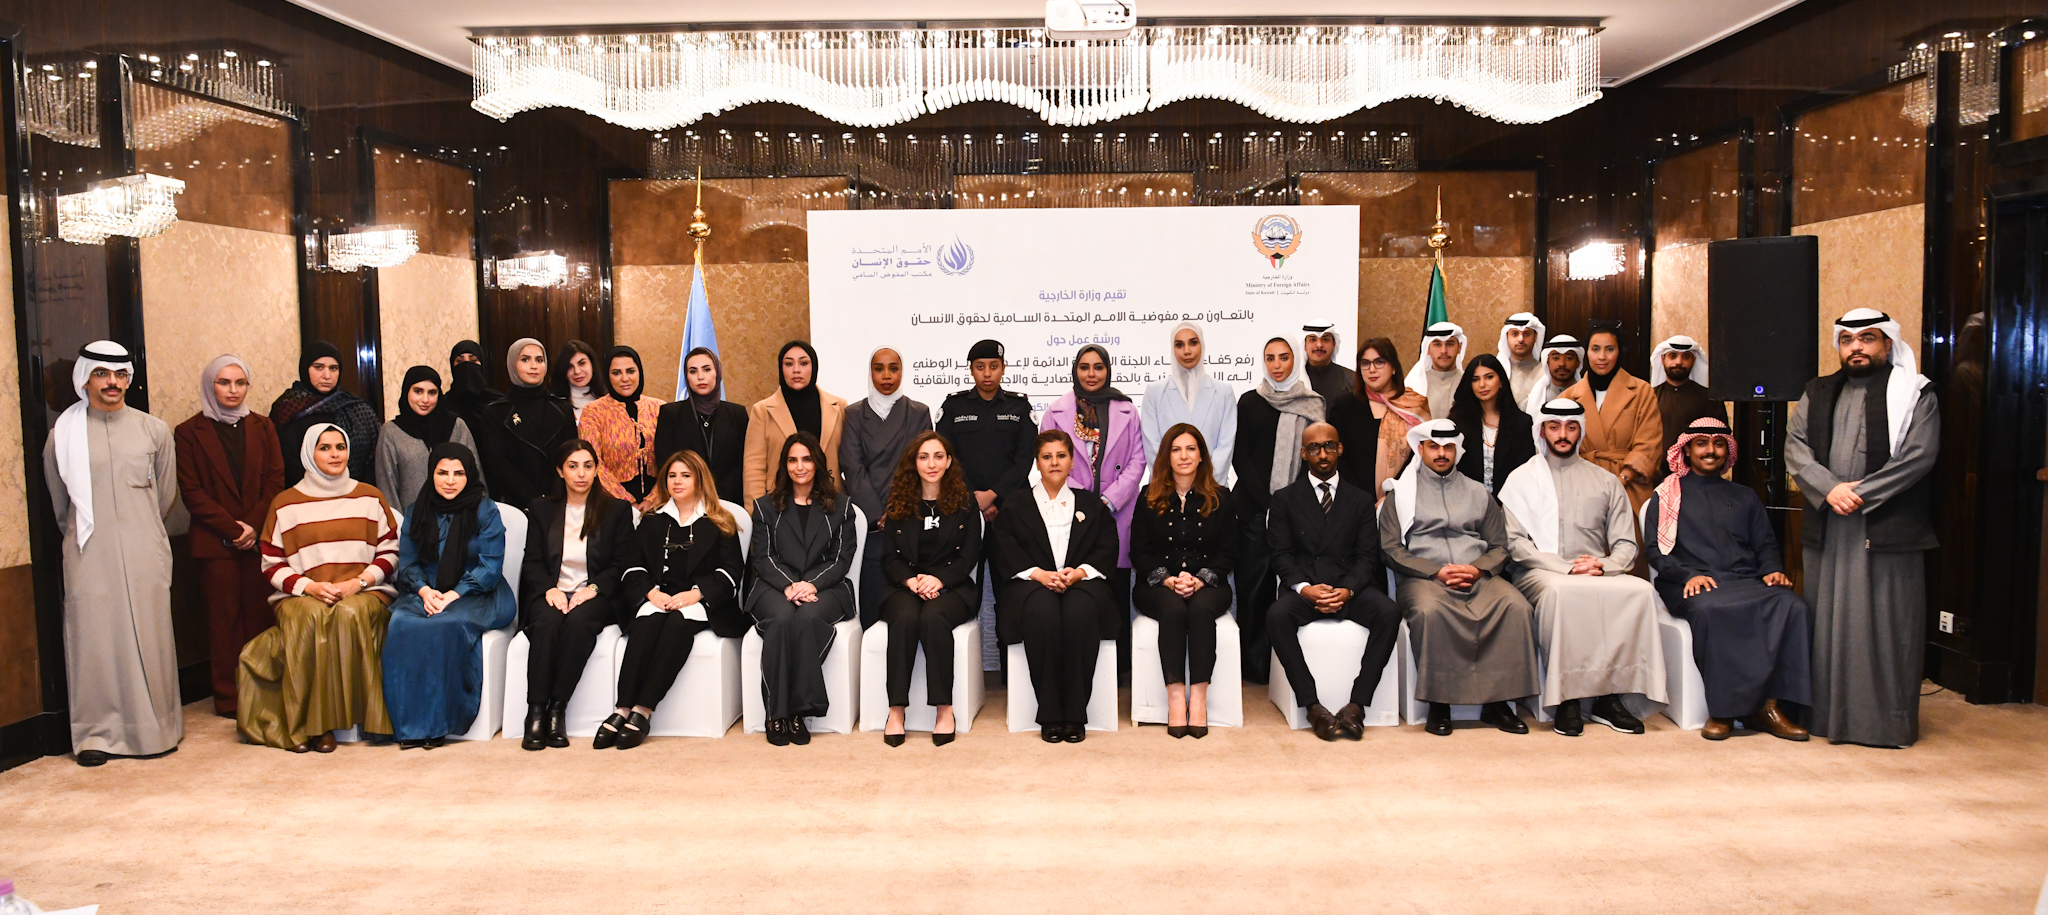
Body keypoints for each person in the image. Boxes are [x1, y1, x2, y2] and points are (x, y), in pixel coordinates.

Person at [1786, 308, 1939, 748]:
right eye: (1847, 340)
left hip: (1887, 528)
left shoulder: (1916, 393)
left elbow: (1919, 456)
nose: (1856, 348)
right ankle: (1825, 717)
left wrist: (1861, 494)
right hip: (1829, 524)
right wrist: (1830, 489)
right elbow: (1795, 448)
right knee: (1826, 625)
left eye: (1867, 338)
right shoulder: (1817, 391)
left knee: (1885, 628)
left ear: (1887, 343)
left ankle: (1884, 725)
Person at [44, 342, 180, 766]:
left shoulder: (154, 430)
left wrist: (141, 532)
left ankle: (156, 730)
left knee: (150, 637)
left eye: (120, 374)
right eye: (102, 374)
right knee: (95, 640)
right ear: (85, 379)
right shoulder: (63, 436)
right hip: (89, 552)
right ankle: (95, 735)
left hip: (145, 549)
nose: (112, 383)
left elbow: (165, 495)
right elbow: (61, 506)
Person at [1498, 400, 1668, 736]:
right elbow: (1515, 544)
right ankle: (1568, 700)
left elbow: (1626, 545)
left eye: (1571, 427)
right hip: (1539, 571)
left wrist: (1603, 565)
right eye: (1554, 427)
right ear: (1542, 431)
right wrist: (1562, 567)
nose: (1562, 434)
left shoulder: (1605, 481)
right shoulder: (1521, 480)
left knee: (1640, 591)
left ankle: (1610, 698)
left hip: (1594, 569)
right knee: (1562, 593)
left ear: (1581, 431)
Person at [1645, 418, 1812, 741]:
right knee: (1712, 609)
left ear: (1727, 451)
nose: (1711, 450)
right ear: (1687, 450)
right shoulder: (1667, 496)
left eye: (1718, 444)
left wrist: (1772, 569)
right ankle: (1723, 711)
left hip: (1744, 580)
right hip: (1689, 583)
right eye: (1702, 444)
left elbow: (1765, 544)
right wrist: (1689, 575)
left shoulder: (1745, 496)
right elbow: (1656, 551)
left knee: (1792, 606)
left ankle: (1771, 708)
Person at [237, 424, 399, 752]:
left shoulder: (370, 496)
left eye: (340, 446)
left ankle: (370, 719)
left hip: (363, 591)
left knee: (348, 613)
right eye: (324, 448)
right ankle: (314, 727)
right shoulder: (285, 503)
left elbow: (390, 552)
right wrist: (308, 587)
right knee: (311, 618)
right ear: (308, 454)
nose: (335, 454)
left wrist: (359, 582)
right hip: (301, 594)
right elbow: (272, 563)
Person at [1381, 419, 1539, 736]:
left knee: (1515, 607)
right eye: (1434, 447)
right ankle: (1440, 704)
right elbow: (1390, 548)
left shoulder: (1478, 492)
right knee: (1430, 612)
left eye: (1448, 447)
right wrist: (1434, 570)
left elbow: (1499, 546)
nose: (1441, 453)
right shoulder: (1401, 494)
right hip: (1424, 578)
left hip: (1478, 575)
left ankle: (1498, 703)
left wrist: (1478, 569)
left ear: (1457, 450)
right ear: (1420, 449)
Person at [602, 450, 746, 750]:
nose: (677, 481)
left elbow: (732, 571)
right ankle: (622, 708)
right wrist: (652, 594)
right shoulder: (652, 520)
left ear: (700, 480)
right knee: (644, 627)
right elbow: (631, 565)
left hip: (699, 602)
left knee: (676, 627)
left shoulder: (720, 520)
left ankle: (643, 710)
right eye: (672, 475)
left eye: (685, 475)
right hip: (658, 597)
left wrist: (696, 593)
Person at [1266, 422, 1401, 742]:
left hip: (1349, 588)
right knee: (1276, 616)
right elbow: (1281, 555)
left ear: (1340, 449)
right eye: (1314, 448)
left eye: (1329, 446)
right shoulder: (1284, 499)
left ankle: (1357, 706)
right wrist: (1306, 589)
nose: (1323, 454)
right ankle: (1312, 707)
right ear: (1303, 454)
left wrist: (1347, 590)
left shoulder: (1360, 499)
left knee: (1389, 612)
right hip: (1306, 590)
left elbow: (1367, 556)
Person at [174, 354, 287, 717]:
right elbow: (191, 492)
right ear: (210, 386)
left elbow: (275, 481)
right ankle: (228, 698)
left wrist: (252, 526)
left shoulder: (263, 427)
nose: (233, 390)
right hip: (214, 543)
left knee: (259, 618)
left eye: (240, 383)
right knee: (223, 624)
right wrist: (233, 529)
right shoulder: (188, 432)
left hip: (257, 540)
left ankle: (262, 691)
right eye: (224, 383)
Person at [383, 443, 515, 749]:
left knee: (444, 625)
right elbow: (409, 563)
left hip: (479, 592)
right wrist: (426, 591)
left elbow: (490, 566)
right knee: (401, 623)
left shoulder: (485, 509)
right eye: (442, 473)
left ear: (470, 475)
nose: (451, 481)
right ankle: (410, 725)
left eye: (459, 473)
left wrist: (453, 594)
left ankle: (439, 723)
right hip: (427, 590)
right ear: (431, 474)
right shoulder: (417, 510)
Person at [993, 430, 1120, 743]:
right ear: (1036, 463)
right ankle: (1050, 715)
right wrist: (1040, 574)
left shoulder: (1090, 504)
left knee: (1080, 612)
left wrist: (1078, 573)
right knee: (1043, 613)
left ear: (1072, 461)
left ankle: (1075, 715)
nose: (1054, 462)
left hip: (1082, 583)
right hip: (1030, 584)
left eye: (1061, 456)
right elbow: (1004, 550)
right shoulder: (1016, 503)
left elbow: (1106, 549)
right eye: (1046, 456)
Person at [516, 439, 635, 751]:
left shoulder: (616, 510)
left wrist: (592, 589)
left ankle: (557, 709)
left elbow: (622, 563)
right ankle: (535, 712)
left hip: (597, 594)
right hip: (552, 590)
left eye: (588, 466)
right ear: (560, 471)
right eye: (573, 466)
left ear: (596, 470)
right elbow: (532, 561)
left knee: (579, 624)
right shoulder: (541, 509)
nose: (581, 474)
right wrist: (550, 589)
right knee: (546, 624)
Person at [747, 432, 860, 746]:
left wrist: (810, 584)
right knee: (782, 619)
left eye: (807, 459)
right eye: (793, 460)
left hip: (826, 586)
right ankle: (776, 713)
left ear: (817, 463)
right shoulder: (765, 507)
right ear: (784, 465)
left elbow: (841, 559)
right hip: (773, 585)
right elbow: (763, 557)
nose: (800, 466)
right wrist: (789, 586)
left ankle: (796, 711)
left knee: (808, 618)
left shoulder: (842, 506)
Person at [1130, 424, 1237, 739]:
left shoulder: (1221, 497)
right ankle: (1176, 697)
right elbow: (1139, 552)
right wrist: (1167, 580)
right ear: (1166, 456)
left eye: (1191, 448)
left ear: (1201, 455)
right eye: (1176, 449)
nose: (1184, 456)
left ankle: (1199, 698)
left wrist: (1201, 580)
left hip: (1209, 583)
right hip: (1157, 585)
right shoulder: (1148, 496)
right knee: (1174, 610)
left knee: (1200, 611)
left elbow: (1230, 552)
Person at [876, 431, 983, 746]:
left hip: (952, 587)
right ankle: (896, 710)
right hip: (905, 586)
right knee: (906, 618)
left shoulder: (965, 503)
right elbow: (889, 558)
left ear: (949, 461)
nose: (931, 464)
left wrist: (939, 579)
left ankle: (944, 709)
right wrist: (911, 581)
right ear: (914, 462)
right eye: (923, 457)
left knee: (934, 618)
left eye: (938, 456)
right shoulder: (899, 503)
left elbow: (969, 556)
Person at [1041, 343, 1147, 661]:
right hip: (1072, 512)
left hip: (1118, 511)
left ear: (1108, 370)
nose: (1091, 374)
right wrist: (1086, 501)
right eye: (1084, 367)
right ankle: (1080, 662)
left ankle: (1119, 667)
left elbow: (1137, 460)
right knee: (1078, 585)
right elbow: (1048, 460)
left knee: (1115, 586)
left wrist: (1109, 500)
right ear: (1075, 370)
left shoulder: (1127, 410)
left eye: (1098, 367)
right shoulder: (1056, 411)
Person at [1230, 338, 1325, 683]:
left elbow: (1316, 459)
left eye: (1284, 358)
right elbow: (1241, 457)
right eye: (1270, 358)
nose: (1277, 365)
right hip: (1253, 512)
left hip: (1297, 512)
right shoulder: (1249, 401)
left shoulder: (1312, 404)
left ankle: (1286, 667)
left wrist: (1286, 505)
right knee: (1253, 590)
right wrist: (1268, 503)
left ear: (1295, 360)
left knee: (1292, 589)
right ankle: (1255, 668)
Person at [840, 345, 933, 625]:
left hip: (908, 516)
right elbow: (852, 468)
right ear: (870, 373)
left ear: (902, 372)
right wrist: (877, 514)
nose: (887, 375)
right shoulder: (854, 413)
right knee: (872, 593)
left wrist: (895, 510)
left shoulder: (918, 412)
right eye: (879, 369)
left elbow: (923, 466)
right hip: (871, 523)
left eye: (893, 368)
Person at [939, 339, 1038, 523]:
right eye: (980, 367)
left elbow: (1024, 459)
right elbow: (947, 457)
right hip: (963, 503)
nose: (987, 373)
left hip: (1012, 505)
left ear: (1003, 368)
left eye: (993, 366)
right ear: (971, 370)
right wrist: (975, 498)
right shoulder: (953, 407)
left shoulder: (1020, 408)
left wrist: (993, 494)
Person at [1564, 326, 1663, 511]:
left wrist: (1621, 480)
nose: (1602, 357)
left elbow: (1649, 445)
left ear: (1619, 352)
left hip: (1630, 487)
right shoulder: (1567, 398)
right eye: (1595, 349)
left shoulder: (1642, 392)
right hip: (1581, 488)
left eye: (1609, 349)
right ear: (1586, 353)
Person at [743, 340, 847, 508]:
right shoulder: (762, 411)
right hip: (779, 505)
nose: (796, 370)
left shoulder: (839, 407)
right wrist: (756, 513)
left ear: (814, 367)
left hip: (829, 502)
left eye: (803, 363)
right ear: (781, 368)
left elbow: (849, 461)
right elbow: (753, 469)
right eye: (789, 364)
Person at [480, 338, 577, 512]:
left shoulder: (562, 408)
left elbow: (570, 456)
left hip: (560, 502)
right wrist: (534, 500)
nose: (534, 366)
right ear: (512, 364)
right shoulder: (495, 412)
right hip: (515, 506)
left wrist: (554, 497)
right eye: (525, 359)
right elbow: (499, 465)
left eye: (539, 360)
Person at [1328, 336, 1429, 501]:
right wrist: (1362, 499)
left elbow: (1421, 455)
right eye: (1365, 363)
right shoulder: (1344, 406)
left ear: (1394, 367)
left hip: (1404, 498)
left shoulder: (1414, 405)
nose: (1372, 369)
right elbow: (1337, 457)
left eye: (1379, 362)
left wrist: (1392, 495)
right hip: (1353, 500)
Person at [1141, 322, 1238, 487]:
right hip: (1166, 490)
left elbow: (1226, 446)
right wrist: (1177, 486)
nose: (1187, 351)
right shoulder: (1154, 392)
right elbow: (1152, 446)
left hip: (1211, 488)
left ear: (1202, 345)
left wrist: (1204, 484)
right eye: (1179, 345)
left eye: (1193, 343)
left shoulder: (1223, 392)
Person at [270, 341, 379, 485]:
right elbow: (281, 460)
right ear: (305, 369)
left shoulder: (357, 408)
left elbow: (374, 459)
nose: (327, 375)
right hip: (304, 491)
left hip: (355, 492)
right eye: (318, 367)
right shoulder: (287, 407)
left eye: (333, 368)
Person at [375, 365, 478, 514]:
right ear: (406, 392)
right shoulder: (391, 432)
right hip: (413, 522)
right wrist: (397, 524)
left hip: (460, 519)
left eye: (432, 393)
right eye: (418, 391)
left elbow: (475, 475)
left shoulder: (456, 426)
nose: (425, 399)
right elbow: (387, 487)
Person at [653, 347, 749, 506]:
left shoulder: (737, 414)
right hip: (685, 502)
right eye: (693, 371)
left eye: (706, 369)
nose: (700, 376)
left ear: (717, 372)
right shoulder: (670, 414)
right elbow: (665, 463)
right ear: (686, 377)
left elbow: (744, 464)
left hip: (730, 502)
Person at [578, 345, 663, 508]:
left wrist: (653, 499)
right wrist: (626, 502)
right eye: (616, 373)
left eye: (630, 371)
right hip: (611, 505)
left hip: (659, 503)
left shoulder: (660, 408)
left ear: (639, 373)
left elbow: (673, 460)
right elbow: (591, 462)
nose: (625, 378)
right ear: (607, 376)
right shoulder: (593, 411)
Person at [1446, 354, 1535, 495]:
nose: (1482, 385)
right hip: (1467, 500)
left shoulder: (1521, 423)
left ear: (1501, 381)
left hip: (1510, 501)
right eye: (1475, 379)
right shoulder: (1458, 422)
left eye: (1489, 377)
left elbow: (1525, 471)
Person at [1648, 335, 1729, 478]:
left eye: (1685, 357)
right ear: (1662, 359)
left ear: (1693, 361)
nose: (1679, 362)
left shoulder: (1709, 399)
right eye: (1673, 356)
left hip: (1697, 477)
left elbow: (1720, 438)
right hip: (1654, 475)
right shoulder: (1649, 396)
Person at [1403, 321, 1468, 420]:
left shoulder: (1469, 382)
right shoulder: (1413, 385)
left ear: (1459, 347)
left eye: (1450, 344)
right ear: (1428, 349)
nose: (1443, 351)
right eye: (1437, 344)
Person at [1521, 334, 1586, 414]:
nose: (1562, 363)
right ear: (1547, 362)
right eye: (1556, 358)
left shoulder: (1588, 397)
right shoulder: (1530, 403)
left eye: (1569, 358)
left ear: (1578, 363)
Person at [1496, 312, 1548, 406]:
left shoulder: (1546, 373)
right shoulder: (1496, 373)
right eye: (1515, 334)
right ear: (1507, 337)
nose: (1521, 339)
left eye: (1527, 334)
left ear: (1535, 337)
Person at [1301, 319, 1358, 400]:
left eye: (1325, 339)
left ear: (1334, 344)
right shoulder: (1294, 380)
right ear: (1305, 345)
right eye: (1313, 339)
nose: (1319, 345)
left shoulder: (1352, 380)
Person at [552, 340, 602, 420]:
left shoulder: (608, 399)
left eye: (582, 363)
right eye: (570, 367)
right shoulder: (555, 405)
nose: (577, 371)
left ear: (592, 364)